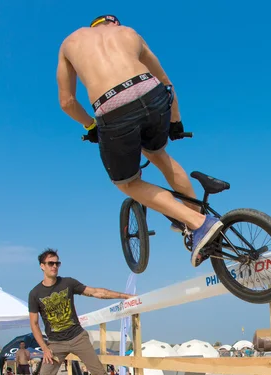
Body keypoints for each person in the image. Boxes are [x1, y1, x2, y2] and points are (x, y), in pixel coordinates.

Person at [56, 15, 223, 268]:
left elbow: (67, 102)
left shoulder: (70, 42)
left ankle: (199, 224)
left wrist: (91, 126)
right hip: (151, 93)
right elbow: (167, 83)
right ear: (114, 24)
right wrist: (176, 122)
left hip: (112, 106)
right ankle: (196, 218)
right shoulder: (129, 33)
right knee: (159, 155)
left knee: (128, 183)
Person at [29, 249, 131, 375]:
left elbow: (96, 292)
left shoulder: (68, 283)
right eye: (50, 263)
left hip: (77, 337)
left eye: (57, 263)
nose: (54, 266)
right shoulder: (35, 293)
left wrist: (125, 297)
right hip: (55, 344)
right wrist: (44, 348)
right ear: (42, 266)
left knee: (100, 374)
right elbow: (34, 324)